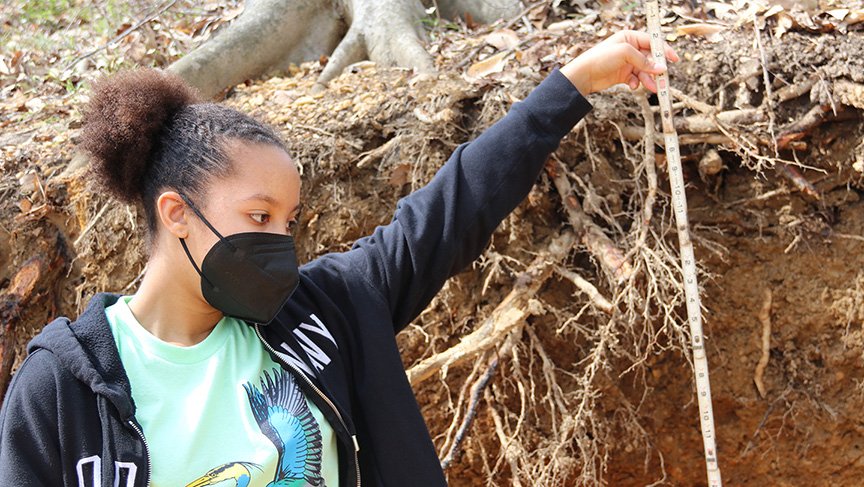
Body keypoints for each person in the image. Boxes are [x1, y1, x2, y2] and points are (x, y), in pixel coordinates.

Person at [0, 30, 678, 486]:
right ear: (176, 212)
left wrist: (574, 84)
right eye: (258, 216)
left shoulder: (326, 310)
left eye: (288, 221)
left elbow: (452, 208)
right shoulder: (63, 390)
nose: (278, 241)